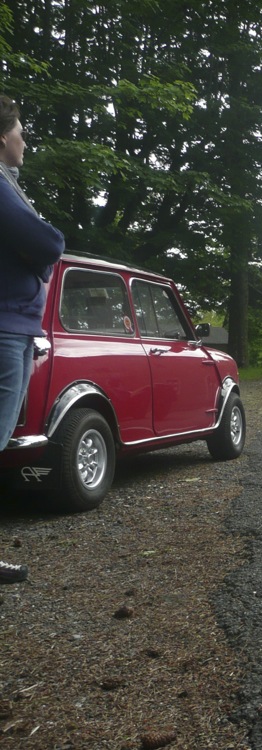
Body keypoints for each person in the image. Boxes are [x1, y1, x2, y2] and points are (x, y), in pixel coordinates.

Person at [0, 95, 66, 584]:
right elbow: (48, 243)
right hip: (5, 326)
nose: (25, 142)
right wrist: (41, 255)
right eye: (21, 133)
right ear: (3, 137)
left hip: (18, 326)